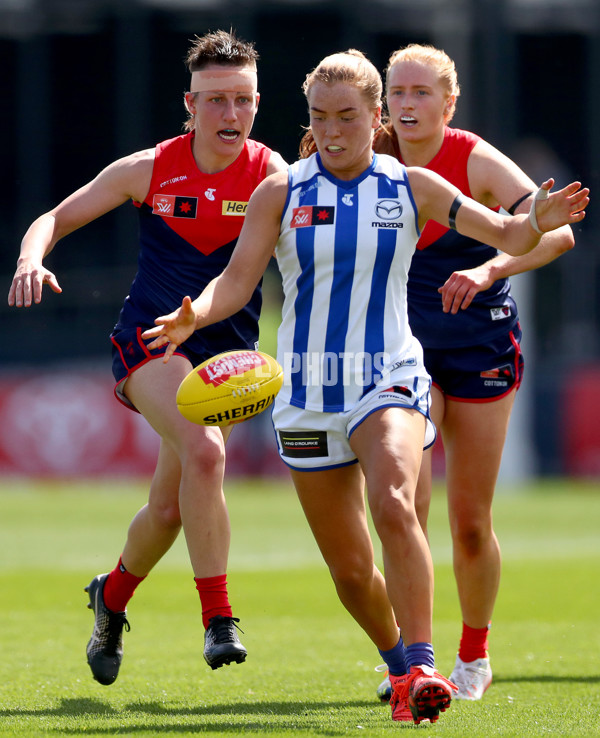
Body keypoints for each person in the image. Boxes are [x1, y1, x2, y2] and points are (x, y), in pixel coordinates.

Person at [140, 50, 587, 724]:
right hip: (308, 396)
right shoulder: (280, 191)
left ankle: (429, 665)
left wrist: (539, 221)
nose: (332, 131)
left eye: (347, 117)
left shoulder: (412, 186)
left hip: (391, 378)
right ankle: (401, 668)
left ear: (374, 118)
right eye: (319, 118)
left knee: (395, 503)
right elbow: (236, 282)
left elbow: (504, 230)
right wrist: (195, 313)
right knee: (350, 573)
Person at [7, 30, 287, 686]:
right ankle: (218, 619)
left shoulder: (275, 176)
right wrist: (30, 257)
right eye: (216, 100)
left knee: (169, 508)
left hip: (225, 352)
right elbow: (52, 217)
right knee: (209, 453)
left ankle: (112, 597)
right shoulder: (150, 169)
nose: (231, 114)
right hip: (152, 343)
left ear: (256, 104)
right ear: (189, 105)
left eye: (243, 100)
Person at [372, 43, 580, 702]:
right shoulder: (368, 156)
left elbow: (555, 233)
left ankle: (473, 657)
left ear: (448, 102)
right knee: (405, 507)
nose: (405, 105)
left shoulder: (475, 158)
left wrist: (490, 266)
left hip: (483, 345)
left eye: (420, 93)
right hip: (405, 350)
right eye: (396, 92)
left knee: (468, 520)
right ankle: (410, 662)